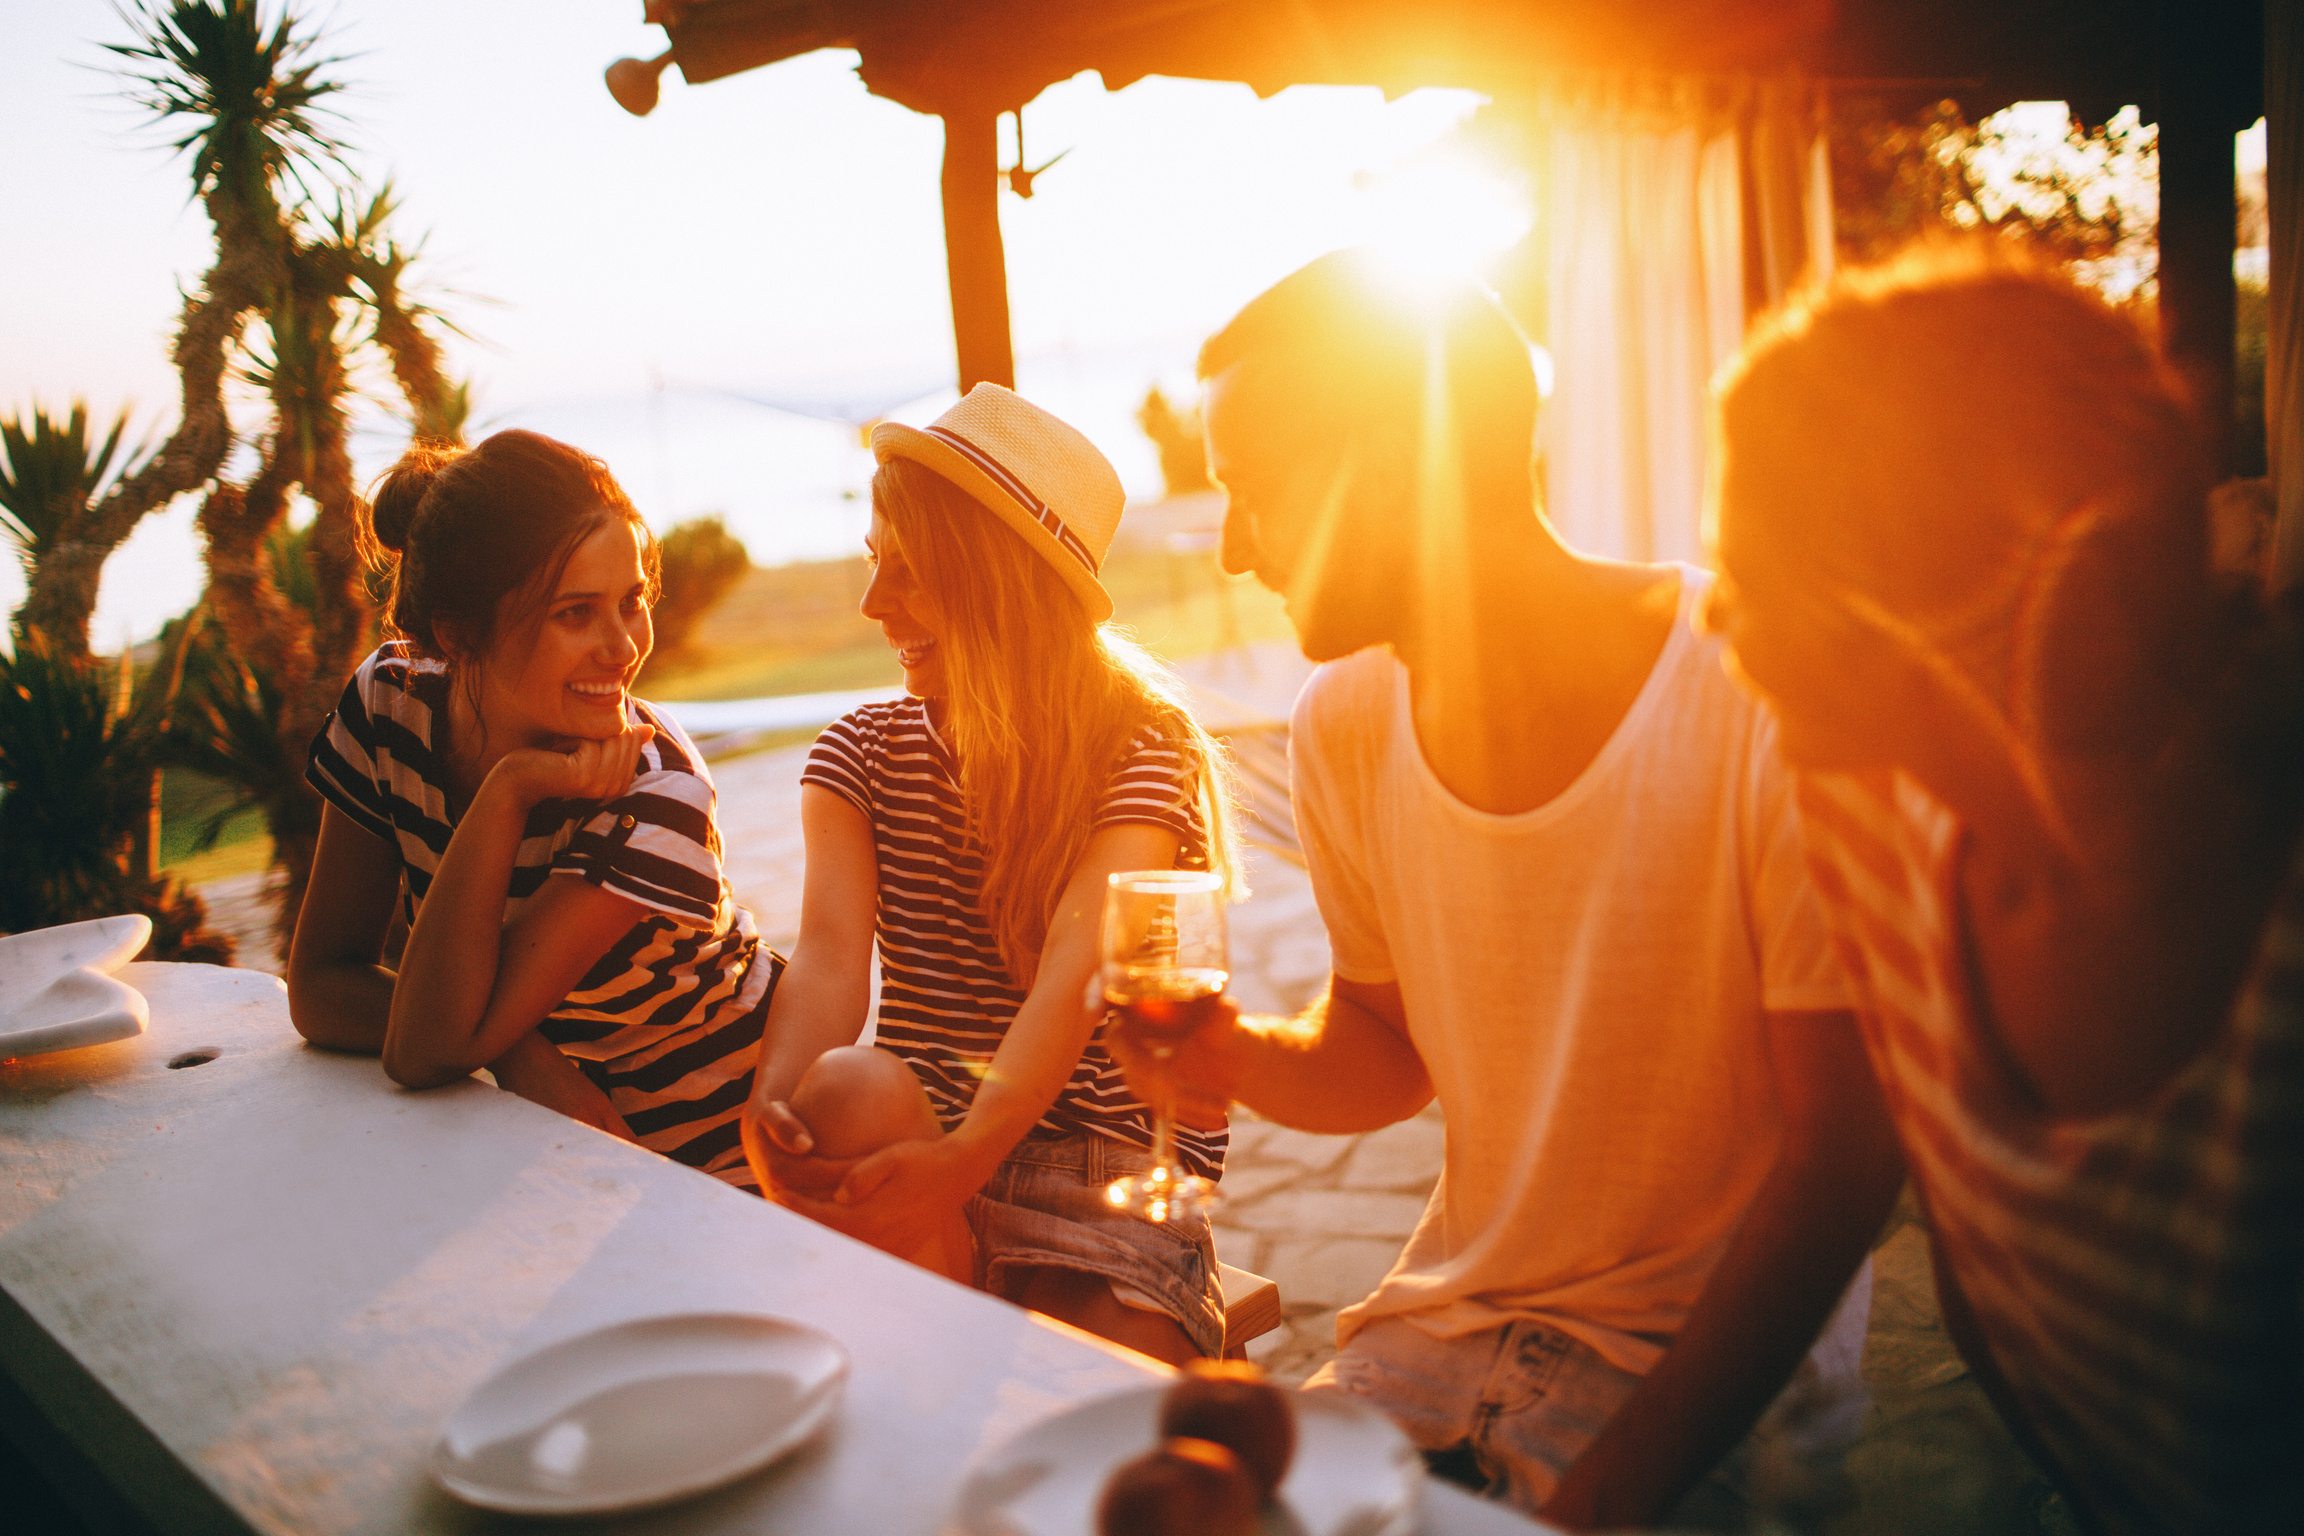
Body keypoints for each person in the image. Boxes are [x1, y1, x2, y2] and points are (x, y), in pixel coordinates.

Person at [1110, 250, 1903, 1529]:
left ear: (1386, 460)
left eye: (1254, 493)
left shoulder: (1757, 691)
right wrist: (1229, 1049)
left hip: (1704, 1388)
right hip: (1437, 1339)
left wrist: (1606, 1494)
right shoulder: (1347, 722)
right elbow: (1385, 1047)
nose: (1241, 549)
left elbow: (1847, 1160)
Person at [1705, 243, 2304, 1534]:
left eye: (1748, 566)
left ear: (1911, 597)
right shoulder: (1864, 815)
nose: (1711, 616)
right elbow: (1989, 1289)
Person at [739, 384, 1242, 1365]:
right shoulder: (860, 756)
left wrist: (971, 1158)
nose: (874, 603)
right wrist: (777, 1100)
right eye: (875, 562)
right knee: (840, 1087)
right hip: (921, 1138)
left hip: (1098, 1174)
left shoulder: (1140, 745)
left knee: (1096, 1413)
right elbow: (832, 962)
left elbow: (1075, 973)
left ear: (1000, 580)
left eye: (910, 570)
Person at [288, 429, 775, 1189]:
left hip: (724, 1157)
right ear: (456, 633)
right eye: (575, 614)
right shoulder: (390, 706)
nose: (622, 647)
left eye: (631, 602)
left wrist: (506, 789)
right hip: (545, 1152)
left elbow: (422, 1049)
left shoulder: (654, 789)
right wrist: (517, 1053)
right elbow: (321, 986)